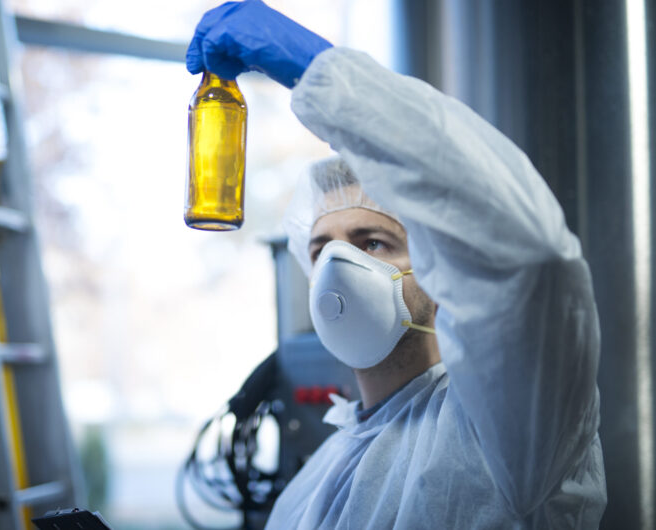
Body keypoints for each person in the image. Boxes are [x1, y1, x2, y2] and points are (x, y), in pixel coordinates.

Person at [186, 1, 607, 528]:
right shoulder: (316, 477)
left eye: (374, 242)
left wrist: (322, 74)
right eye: (321, 250)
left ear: (441, 268)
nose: (339, 266)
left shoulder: (503, 435)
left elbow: (528, 260)